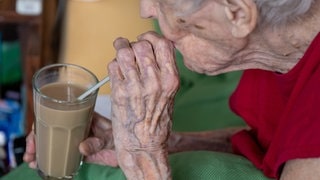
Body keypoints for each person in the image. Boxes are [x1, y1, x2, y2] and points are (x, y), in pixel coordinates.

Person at [23, 0, 320, 179]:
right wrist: (158, 140)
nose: (145, 9)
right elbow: (274, 145)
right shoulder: (282, 53)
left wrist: (144, 155)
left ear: (238, 14)